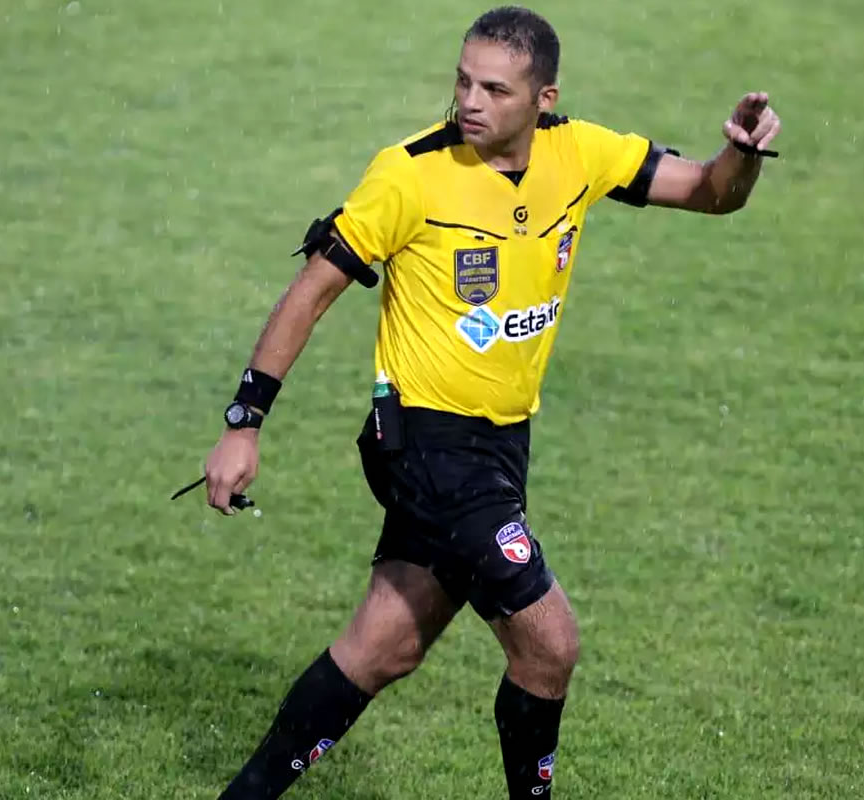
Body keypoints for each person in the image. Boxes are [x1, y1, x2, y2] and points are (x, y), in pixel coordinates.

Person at [201, 6, 780, 798]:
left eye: (496, 90)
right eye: (464, 82)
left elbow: (712, 193)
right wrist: (244, 423)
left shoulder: (580, 153)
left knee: (382, 649)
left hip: (503, 444)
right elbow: (311, 292)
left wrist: (741, 154)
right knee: (550, 644)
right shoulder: (410, 173)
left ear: (543, 99)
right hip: (425, 445)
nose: (470, 101)